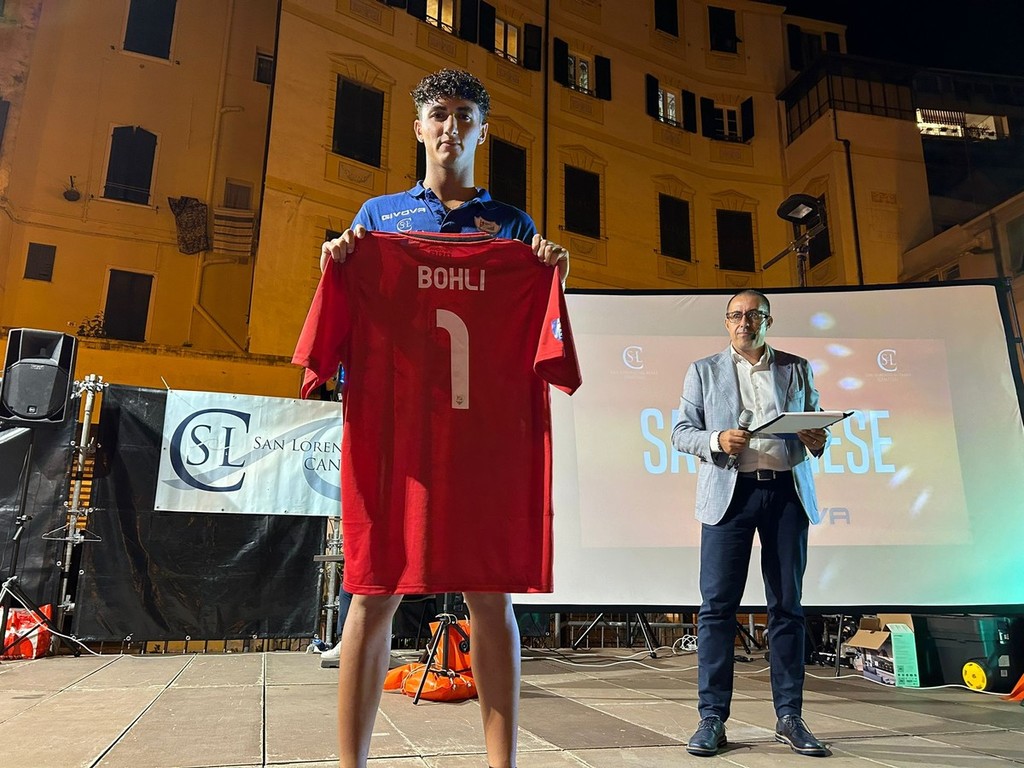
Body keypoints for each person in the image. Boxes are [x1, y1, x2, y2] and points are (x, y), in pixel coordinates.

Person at [316, 69, 571, 768]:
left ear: (482, 132)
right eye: (438, 112)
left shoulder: (514, 228)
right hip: (399, 439)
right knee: (373, 594)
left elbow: (536, 331)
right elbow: (343, 322)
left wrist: (553, 274)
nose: (450, 125)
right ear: (419, 127)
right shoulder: (377, 218)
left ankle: (502, 764)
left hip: (481, 441)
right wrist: (335, 265)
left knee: (490, 596)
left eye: (464, 114)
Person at [671, 289, 831, 758]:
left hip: (786, 494)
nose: (745, 322)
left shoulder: (796, 367)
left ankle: (790, 717)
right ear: (727, 322)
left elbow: (816, 430)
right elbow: (681, 433)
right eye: (736, 315)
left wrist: (817, 438)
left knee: (787, 607)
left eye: (754, 315)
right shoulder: (703, 371)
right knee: (717, 608)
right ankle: (712, 718)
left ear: (768, 321)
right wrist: (717, 439)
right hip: (730, 495)